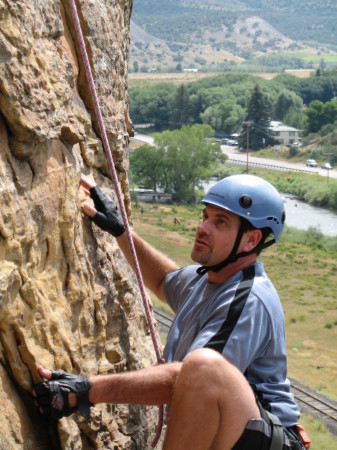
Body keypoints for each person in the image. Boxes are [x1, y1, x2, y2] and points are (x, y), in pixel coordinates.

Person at [33, 173, 310, 450]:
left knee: (203, 367)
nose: (203, 228)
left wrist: (87, 390)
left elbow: (192, 379)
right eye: (205, 217)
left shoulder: (249, 299)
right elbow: (163, 279)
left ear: (251, 240)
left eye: (220, 222)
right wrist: (121, 231)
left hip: (271, 441)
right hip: (242, 434)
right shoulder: (207, 279)